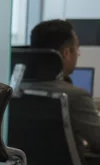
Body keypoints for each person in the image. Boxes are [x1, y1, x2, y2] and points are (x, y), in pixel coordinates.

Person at [28, 19, 100, 153]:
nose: (78, 54)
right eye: (77, 48)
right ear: (67, 53)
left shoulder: (15, 89)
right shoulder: (75, 96)